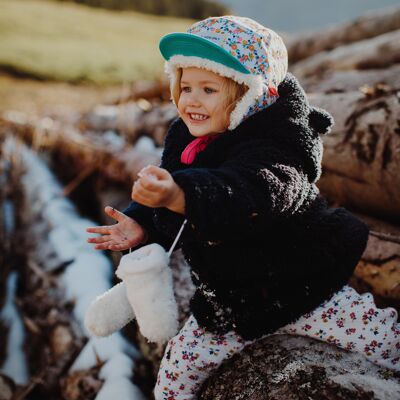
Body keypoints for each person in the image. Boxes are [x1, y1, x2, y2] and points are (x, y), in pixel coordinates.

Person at [86, 16, 400, 399]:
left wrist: (179, 194)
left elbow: (254, 193)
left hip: (306, 291)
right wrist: (143, 222)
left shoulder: (280, 145)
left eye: (209, 89)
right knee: (173, 377)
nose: (192, 100)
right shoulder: (186, 137)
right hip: (229, 305)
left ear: (251, 95)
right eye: (185, 87)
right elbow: (175, 206)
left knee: (386, 344)